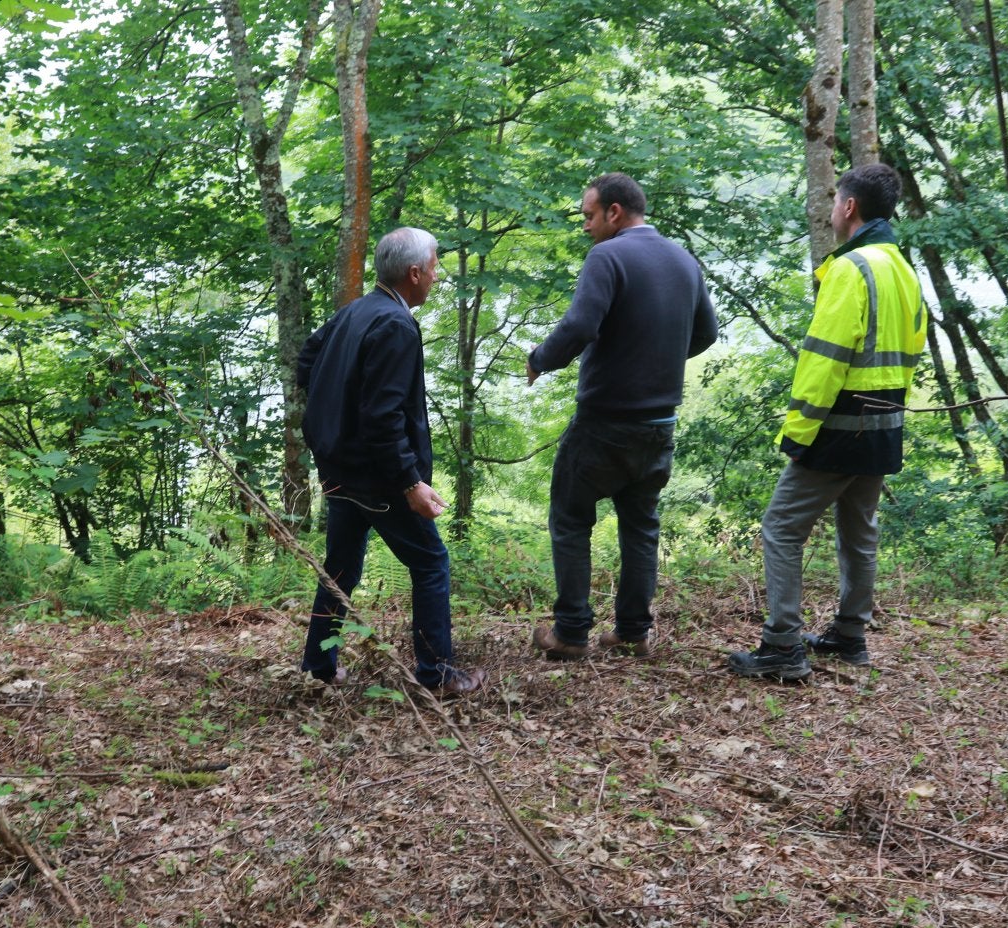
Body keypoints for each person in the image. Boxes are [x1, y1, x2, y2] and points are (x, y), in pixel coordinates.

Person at [729, 163, 925, 680]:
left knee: (780, 529)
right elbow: (914, 347)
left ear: (850, 207)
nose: (832, 209)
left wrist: (798, 430)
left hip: (840, 428)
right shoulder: (902, 268)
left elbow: (824, 360)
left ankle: (782, 648)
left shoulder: (852, 268)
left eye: (835, 200)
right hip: (886, 424)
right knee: (860, 533)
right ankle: (849, 636)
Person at [527, 173, 718, 661]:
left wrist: (540, 359)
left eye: (589, 215)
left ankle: (570, 632)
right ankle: (631, 632)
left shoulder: (607, 256)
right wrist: (660, 357)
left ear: (614, 212)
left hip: (603, 424)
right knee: (640, 526)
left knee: (570, 520)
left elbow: (580, 324)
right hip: (659, 427)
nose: (587, 226)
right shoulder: (683, 260)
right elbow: (707, 333)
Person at [297, 228, 486, 697]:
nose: (438, 275)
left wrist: (334, 423)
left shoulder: (354, 313)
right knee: (431, 564)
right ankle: (436, 674)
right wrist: (410, 483)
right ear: (415, 272)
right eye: (436, 266)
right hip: (377, 479)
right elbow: (383, 417)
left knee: (340, 567)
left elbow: (307, 363)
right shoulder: (395, 325)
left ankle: (319, 667)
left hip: (341, 471)